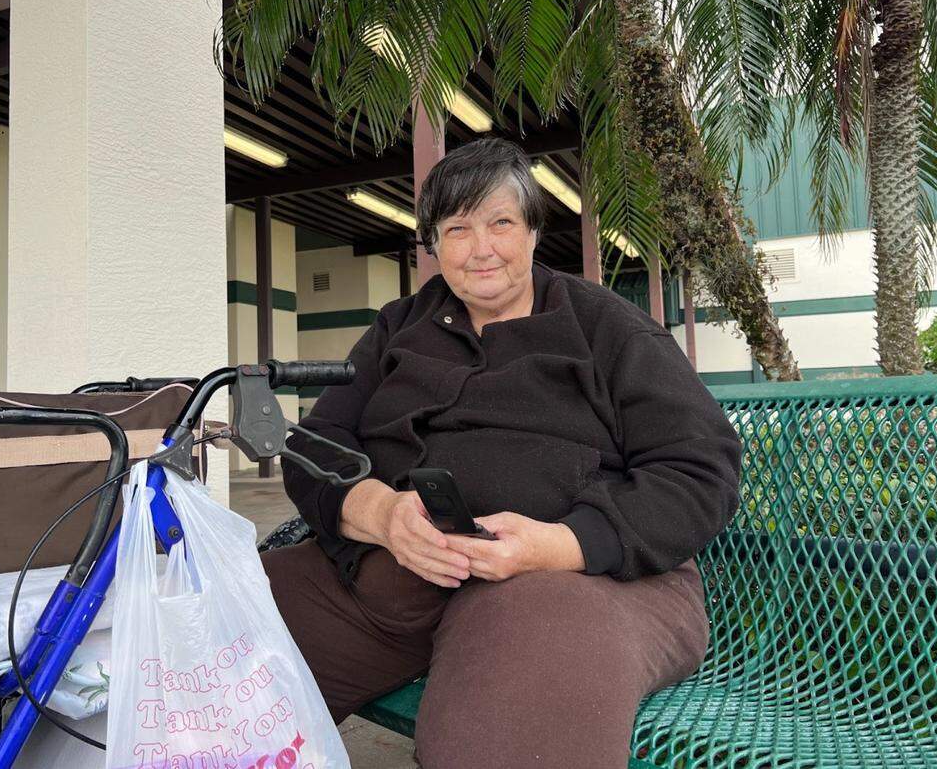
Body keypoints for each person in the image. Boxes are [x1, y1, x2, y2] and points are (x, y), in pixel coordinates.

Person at [264, 137, 742, 767]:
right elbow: (315, 445)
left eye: (501, 223)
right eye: (458, 228)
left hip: (576, 582)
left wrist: (557, 545)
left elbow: (700, 469)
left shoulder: (608, 328)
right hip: (394, 581)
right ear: (435, 244)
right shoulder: (398, 326)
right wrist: (378, 513)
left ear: (534, 233)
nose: (481, 248)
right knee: (218, 623)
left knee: (506, 717)